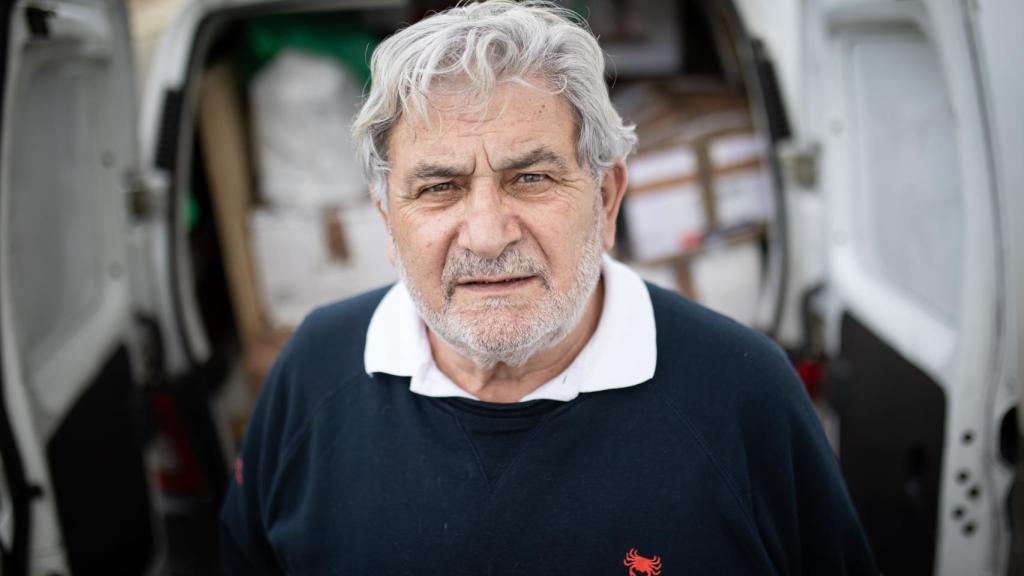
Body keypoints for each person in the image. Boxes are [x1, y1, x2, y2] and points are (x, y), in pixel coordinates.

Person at [220, 1, 877, 574]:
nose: (485, 234)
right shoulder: (315, 367)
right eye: (439, 187)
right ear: (388, 219)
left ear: (608, 196)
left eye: (530, 178)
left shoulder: (743, 391)